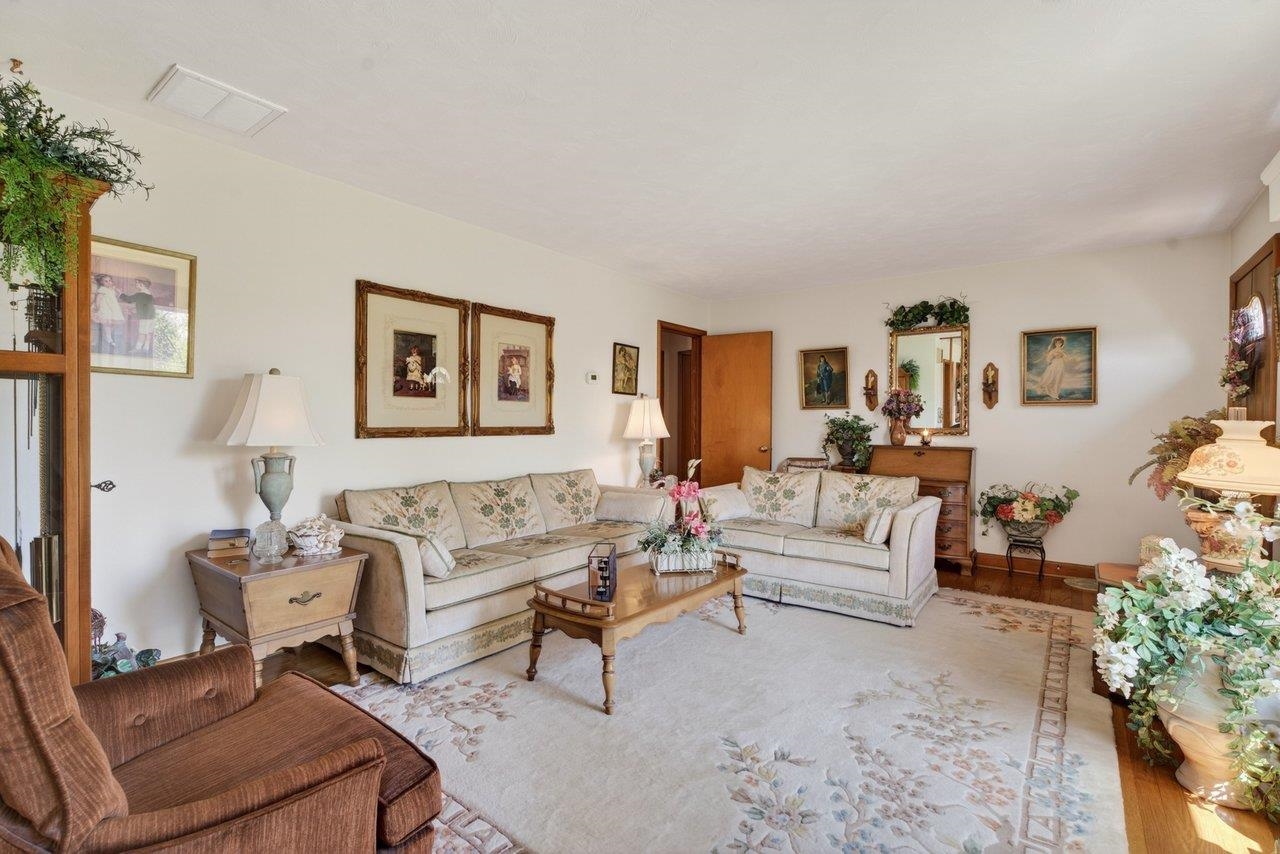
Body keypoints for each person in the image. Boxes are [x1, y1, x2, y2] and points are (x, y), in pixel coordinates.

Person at [117, 277, 156, 356]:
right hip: (152, 317)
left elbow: (128, 299)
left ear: (141, 285)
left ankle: (137, 348)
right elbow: (144, 306)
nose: (136, 285)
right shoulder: (150, 295)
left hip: (145, 318)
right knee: (148, 333)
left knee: (142, 333)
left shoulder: (140, 294)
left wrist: (120, 293)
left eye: (137, 284)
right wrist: (134, 310)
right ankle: (146, 348)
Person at [91, 274, 125, 354]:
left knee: (110, 324)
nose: (108, 282)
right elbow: (98, 299)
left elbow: (113, 299)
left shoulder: (111, 290)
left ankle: (109, 338)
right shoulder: (102, 289)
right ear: (102, 283)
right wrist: (98, 307)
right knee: (106, 324)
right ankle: (108, 339)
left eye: (109, 281)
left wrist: (118, 293)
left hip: (111, 309)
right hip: (105, 309)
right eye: (106, 281)